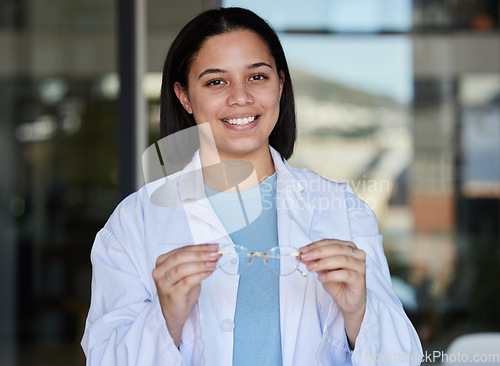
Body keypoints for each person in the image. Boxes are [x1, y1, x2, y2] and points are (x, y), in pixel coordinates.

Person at [81, 7, 422, 366]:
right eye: (216, 81)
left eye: (257, 77)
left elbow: (402, 358)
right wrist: (166, 319)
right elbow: (104, 359)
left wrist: (359, 311)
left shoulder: (343, 210)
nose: (240, 97)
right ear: (184, 96)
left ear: (280, 84)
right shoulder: (136, 221)